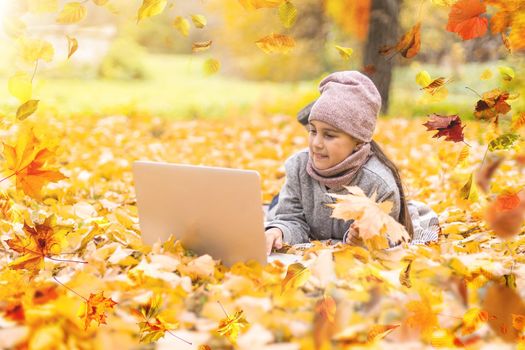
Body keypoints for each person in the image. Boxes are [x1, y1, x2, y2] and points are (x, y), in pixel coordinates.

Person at [264, 70, 439, 255]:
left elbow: (389, 238)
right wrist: (279, 230)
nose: (316, 143)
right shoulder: (298, 167)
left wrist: (362, 240)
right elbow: (290, 218)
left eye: (329, 135)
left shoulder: (379, 184)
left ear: (358, 141)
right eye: (313, 131)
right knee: (274, 210)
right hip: (296, 198)